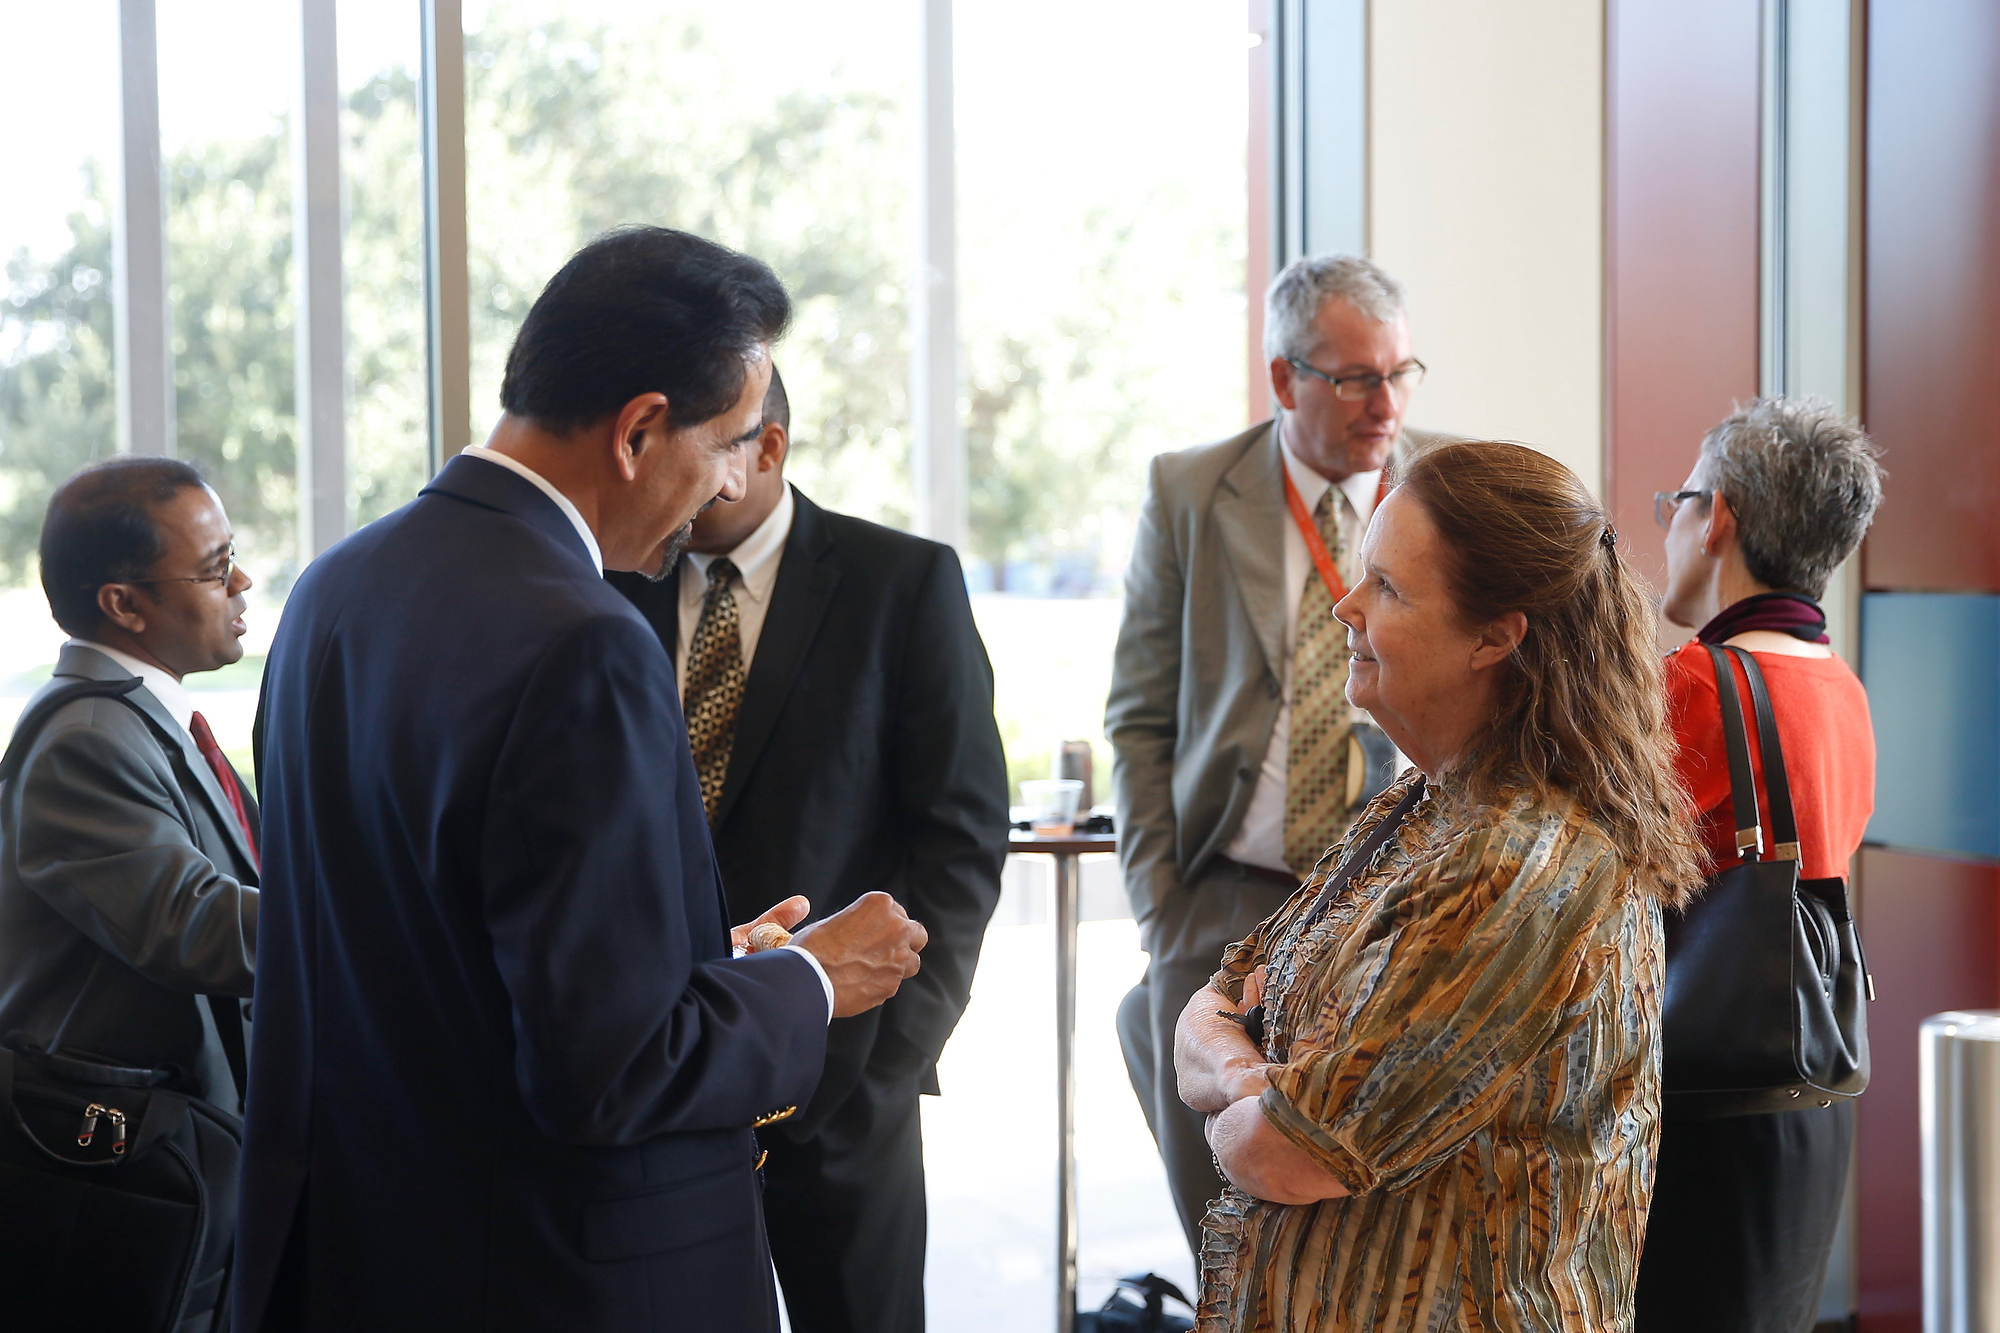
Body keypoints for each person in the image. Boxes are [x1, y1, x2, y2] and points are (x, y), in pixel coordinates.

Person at [234, 227, 930, 1333]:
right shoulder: (584, 641)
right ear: (641, 429)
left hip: (361, 1251)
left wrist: (699, 963)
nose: (722, 486)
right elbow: (609, 1068)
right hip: (552, 1272)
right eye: (731, 440)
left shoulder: (334, 590)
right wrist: (808, 978)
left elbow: (424, 950)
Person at [1175, 441, 1701, 1331]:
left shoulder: (1519, 866)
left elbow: (1283, 1152)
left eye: (1387, 587)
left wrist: (1242, 1082)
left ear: (1495, 635)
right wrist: (1250, 1067)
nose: (1345, 607)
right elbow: (1212, 1005)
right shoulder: (1426, 801)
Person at [608, 366, 1009, 1333]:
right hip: (669, 1078)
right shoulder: (614, 585)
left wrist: (894, 1059)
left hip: (846, 1087)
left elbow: (961, 836)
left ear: (766, 448)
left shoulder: (901, 583)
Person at [1107, 253, 1446, 1248]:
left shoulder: (1449, 488)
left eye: (1398, 373)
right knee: (1218, 1213)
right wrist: (1159, 903)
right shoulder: (1190, 491)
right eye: (1352, 379)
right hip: (1225, 889)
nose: (1383, 404)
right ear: (1282, 378)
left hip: (1399, 893)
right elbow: (1136, 714)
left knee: (1364, 1208)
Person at [1635, 398, 1883, 1332]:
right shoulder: (1840, 685)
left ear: (1721, 516)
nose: (1672, 528)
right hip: (1811, 1087)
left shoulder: (1693, 684)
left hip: (1698, 1089)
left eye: (1681, 501)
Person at [0, 457, 259, 1332]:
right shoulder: (84, 738)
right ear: (123, 603)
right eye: (215, 566)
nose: (243, 582)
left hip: (185, 1160)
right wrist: (395, 910)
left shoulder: (143, 716)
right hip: (127, 1176)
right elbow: (197, 929)